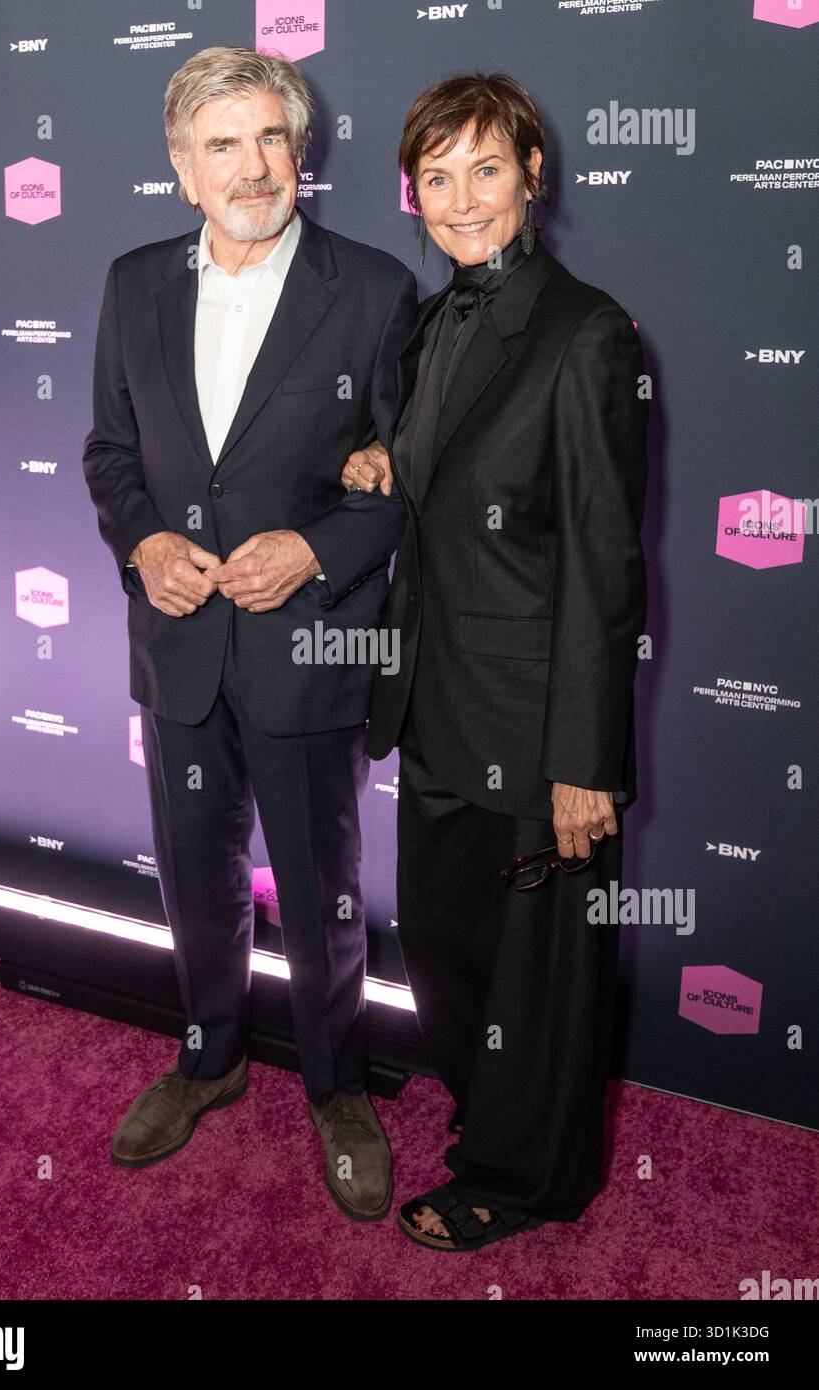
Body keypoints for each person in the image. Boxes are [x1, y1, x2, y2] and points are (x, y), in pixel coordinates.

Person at [82, 46, 418, 1221]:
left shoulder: (374, 289)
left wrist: (318, 549)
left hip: (309, 647)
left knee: (322, 885)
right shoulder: (132, 283)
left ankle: (337, 1088)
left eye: (271, 138)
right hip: (178, 646)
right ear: (183, 168)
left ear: (301, 152)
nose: (252, 166)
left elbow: (403, 476)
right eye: (221, 144)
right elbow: (111, 456)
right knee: (193, 878)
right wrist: (144, 546)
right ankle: (207, 1056)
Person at [344, 71, 648, 1250]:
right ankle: (495, 1117)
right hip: (429, 704)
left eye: (486, 168)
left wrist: (585, 759)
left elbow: (606, 565)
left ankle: (528, 1178)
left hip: (533, 730)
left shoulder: (586, 333)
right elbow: (442, 461)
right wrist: (384, 463)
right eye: (437, 174)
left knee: (537, 976)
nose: (461, 196)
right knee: (445, 941)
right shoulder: (432, 319)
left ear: (533, 175)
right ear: (409, 190)